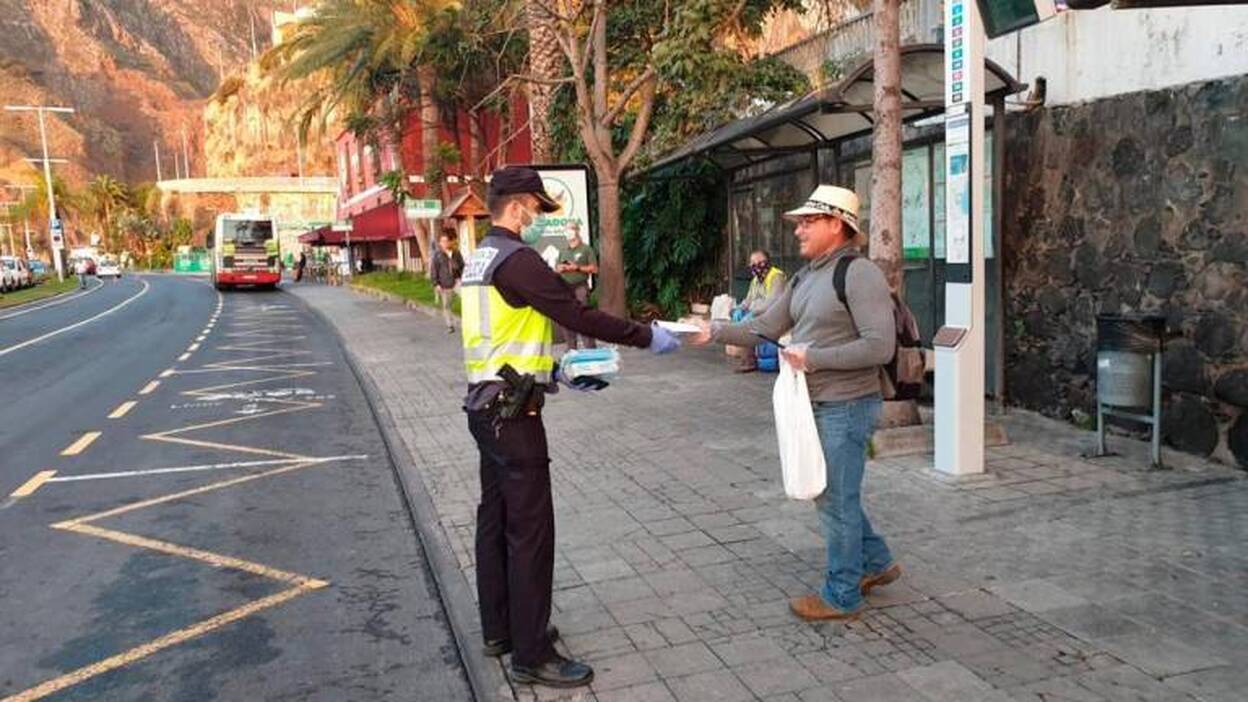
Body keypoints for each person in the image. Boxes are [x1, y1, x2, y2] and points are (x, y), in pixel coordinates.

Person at [463, 166, 681, 688]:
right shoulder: (520, 259)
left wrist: (557, 370)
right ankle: (532, 654)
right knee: (531, 532)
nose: (538, 219)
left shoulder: (480, 259)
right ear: (518, 207)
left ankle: (502, 630)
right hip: (513, 415)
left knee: (495, 522)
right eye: (537, 209)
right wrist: (647, 336)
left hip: (486, 404)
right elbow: (577, 314)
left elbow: (502, 337)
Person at [691, 184, 901, 621]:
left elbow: (880, 347)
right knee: (833, 494)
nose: (799, 230)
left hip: (848, 404)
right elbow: (766, 325)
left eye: (809, 221)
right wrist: (715, 330)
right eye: (799, 222)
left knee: (834, 499)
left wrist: (813, 358)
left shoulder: (859, 274)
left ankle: (842, 595)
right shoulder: (807, 277)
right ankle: (877, 562)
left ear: (837, 225)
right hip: (817, 402)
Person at [733, 250, 787, 373]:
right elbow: (748, 300)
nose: (756, 265)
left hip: (773, 314)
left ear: (767, 262)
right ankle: (747, 356)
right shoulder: (756, 280)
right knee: (740, 317)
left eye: (759, 262)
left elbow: (774, 301)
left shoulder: (776, 276)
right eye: (752, 263)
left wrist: (754, 313)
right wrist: (739, 309)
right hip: (758, 314)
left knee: (747, 323)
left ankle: (749, 361)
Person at [554, 223, 598, 349]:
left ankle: (590, 349)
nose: (568, 232)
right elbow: (556, 268)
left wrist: (577, 267)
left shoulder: (586, 249)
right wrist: (560, 268)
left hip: (580, 287)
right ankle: (571, 349)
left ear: (577, 231)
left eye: (571, 229)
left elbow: (594, 269)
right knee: (566, 319)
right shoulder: (563, 250)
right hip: (565, 288)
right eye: (566, 229)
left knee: (583, 317)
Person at [430, 231, 465, 333]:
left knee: (466, 299)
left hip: (457, 281)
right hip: (445, 284)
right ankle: (450, 326)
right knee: (447, 306)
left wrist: (462, 276)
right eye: (442, 241)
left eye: (446, 241)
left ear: (449, 242)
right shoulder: (437, 255)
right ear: (440, 243)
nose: (444, 243)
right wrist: (436, 284)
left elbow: (462, 266)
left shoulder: (456, 253)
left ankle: (469, 321)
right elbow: (434, 270)